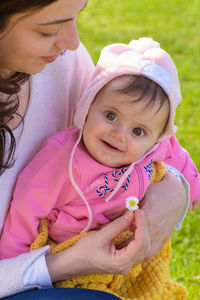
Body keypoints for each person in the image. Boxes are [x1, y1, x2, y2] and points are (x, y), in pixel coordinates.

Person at [0, 0, 189, 299]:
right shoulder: (60, 159)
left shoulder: (61, 62)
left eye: (77, 17)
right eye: (48, 30)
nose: (73, 42)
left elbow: (159, 143)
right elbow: (26, 214)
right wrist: (66, 263)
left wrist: (177, 191)